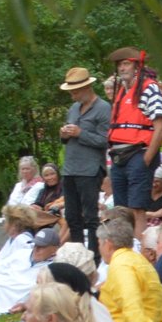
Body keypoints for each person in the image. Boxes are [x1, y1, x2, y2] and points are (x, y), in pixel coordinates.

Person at [98, 214, 162, 322]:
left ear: (108, 244)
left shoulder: (121, 265)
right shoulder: (137, 259)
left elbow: (131, 303)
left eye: (99, 243)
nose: (99, 248)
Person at [55, 63, 113, 251]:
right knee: (71, 216)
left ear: (87, 87)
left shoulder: (103, 108)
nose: (73, 96)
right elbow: (67, 139)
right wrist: (64, 134)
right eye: (71, 92)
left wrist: (80, 133)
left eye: (75, 92)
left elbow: (105, 140)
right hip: (70, 168)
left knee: (90, 216)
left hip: (90, 170)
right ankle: (77, 252)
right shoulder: (73, 108)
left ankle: (95, 254)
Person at [106, 46, 162, 211]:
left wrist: (146, 160)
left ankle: (138, 230)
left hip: (138, 153)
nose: (122, 68)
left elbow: (160, 128)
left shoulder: (150, 89)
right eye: (119, 64)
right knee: (120, 209)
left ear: (137, 66)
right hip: (119, 157)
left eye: (126, 64)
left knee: (137, 209)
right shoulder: (121, 92)